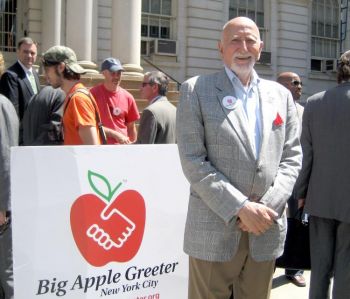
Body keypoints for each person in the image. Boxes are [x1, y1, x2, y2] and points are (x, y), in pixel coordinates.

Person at [176, 17, 302, 299]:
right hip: (213, 230)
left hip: (265, 229)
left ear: (260, 47)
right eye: (235, 40)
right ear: (221, 48)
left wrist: (266, 208)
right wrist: (241, 207)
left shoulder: (281, 96)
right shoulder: (196, 90)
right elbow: (193, 161)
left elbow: (292, 157)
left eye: (250, 40)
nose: (243, 47)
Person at [295, 50, 350, 299]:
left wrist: (301, 193)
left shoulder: (314, 102)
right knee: (346, 268)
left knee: (319, 267)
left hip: (319, 197)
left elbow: (306, 155)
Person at [276, 72, 306, 287]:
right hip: (272, 176)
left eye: (300, 83)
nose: (299, 86)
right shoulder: (269, 107)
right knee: (271, 219)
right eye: (295, 83)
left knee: (295, 221)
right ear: (283, 86)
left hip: (296, 175)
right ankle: (269, 263)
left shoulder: (304, 111)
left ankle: (293, 268)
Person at [41, 45, 102, 145]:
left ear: (61, 67)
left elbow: (92, 148)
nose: (45, 75)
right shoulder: (73, 96)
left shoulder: (78, 99)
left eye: (47, 70)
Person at [0, 51, 19, 299]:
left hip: (2, 208)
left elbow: (4, 157)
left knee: (5, 271)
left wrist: (2, 206)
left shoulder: (2, 105)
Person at [90, 57, 140, 144]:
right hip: (100, 148)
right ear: (104, 73)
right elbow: (91, 125)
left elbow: (131, 127)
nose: (116, 77)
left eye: (119, 73)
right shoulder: (93, 94)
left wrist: (133, 147)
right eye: (113, 73)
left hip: (122, 149)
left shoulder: (128, 97)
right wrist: (115, 134)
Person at [0, 37, 40, 121]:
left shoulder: (35, 73)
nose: (29, 56)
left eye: (32, 53)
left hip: (34, 127)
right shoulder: (10, 76)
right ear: (18, 52)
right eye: (25, 52)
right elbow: (12, 110)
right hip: (21, 130)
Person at [136, 71, 176, 144]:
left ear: (154, 87)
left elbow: (143, 148)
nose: (140, 88)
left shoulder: (150, 112)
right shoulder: (175, 110)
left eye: (143, 84)